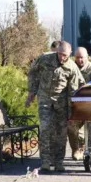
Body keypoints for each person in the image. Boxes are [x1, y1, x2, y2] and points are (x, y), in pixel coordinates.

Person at [25, 41, 84, 173]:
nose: (62, 57)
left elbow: (73, 90)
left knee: (61, 133)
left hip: (61, 102)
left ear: (69, 54)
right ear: (57, 51)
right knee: (45, 129)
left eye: (65, 55)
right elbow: (32, 72)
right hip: (45, 98)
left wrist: (72, 111)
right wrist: (32, 91)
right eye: (60, 54)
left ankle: (58, 162)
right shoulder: (44, 59)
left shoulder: (72, 67)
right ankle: (45, 161)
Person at [66, 47, 91, 161]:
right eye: (77, 57)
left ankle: (88, 150)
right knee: (71, 126)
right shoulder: (71, 68)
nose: (79, 60)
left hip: (90, 107)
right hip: (76, 107)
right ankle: (76, 149)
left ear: (87, 57)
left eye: (82, 57)